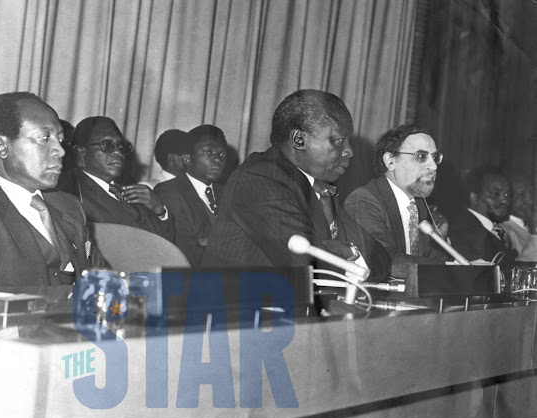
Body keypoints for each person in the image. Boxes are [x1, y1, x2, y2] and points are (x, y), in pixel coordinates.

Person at [203, 89, 390, 281]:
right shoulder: (261, 178)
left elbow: (381, 259)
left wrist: (349, 250)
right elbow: (310, 267)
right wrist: (345, 251)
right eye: (338, 141)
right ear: (299, 140)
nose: (349, 151)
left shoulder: (315, 185)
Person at [0, 92, 103, 291]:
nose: (61, 150)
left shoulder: (69, 206)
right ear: (1, 146)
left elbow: (104, 281)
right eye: (45, 138)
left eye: (60, 139)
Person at [344, 125, 450, 275]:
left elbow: (429, 257)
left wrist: (466, 265)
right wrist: (448, 268)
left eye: (435, 157)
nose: (433, 166)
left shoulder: (418, 205)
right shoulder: (364, 200)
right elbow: (383, 260)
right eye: (421, 156)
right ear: (390, 161)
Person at [55, 116, 173, 240]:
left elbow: (163, 246)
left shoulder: (130, 191)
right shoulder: (67, 190)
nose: (118, 152)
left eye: (121, 146)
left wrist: (159, 210)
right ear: (81, 154)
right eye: (106, 145)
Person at [155, 125, 226, 267]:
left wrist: (206, 241)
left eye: (222, 154)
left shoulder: (229, 193)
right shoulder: (168, 191)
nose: (217, 159)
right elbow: (186, 252)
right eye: (208, 152)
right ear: (187, 159)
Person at [448, 166, 518, 264]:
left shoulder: (496, 230)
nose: (505, 201)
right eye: (496, 194)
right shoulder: (463, 231)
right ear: (474, 198)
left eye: (508, 195)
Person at [501, 175, 537, 261]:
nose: (529, 199)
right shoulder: (504, 230)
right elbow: (521, 263)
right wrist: (534, 231)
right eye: (522, 195)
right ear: (508, 197)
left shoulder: (529, 221)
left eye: (531, 194)